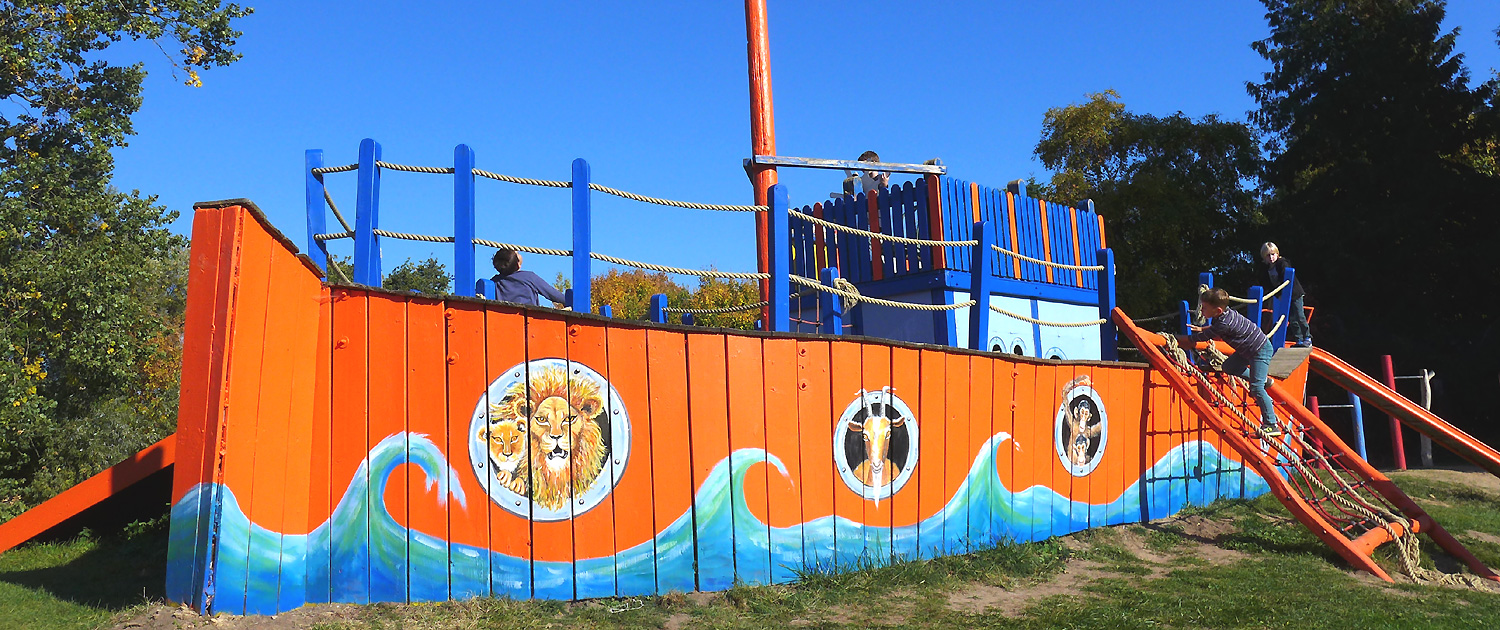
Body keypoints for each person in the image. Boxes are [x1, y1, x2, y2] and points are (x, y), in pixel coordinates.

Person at [1179, 287, 1282, 437]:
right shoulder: (1226, 315)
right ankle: (1261, 379)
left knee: (1256, 388)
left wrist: (1180, 339)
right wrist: (1203, 329)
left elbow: (1203, 337)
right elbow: (1215, 329)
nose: (1201, 311)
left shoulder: (1223, 323)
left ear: (1218, 310)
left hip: (1259, 350)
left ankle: (1271, 424)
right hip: (1247, 349)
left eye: (1205, 308)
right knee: (1229, 366)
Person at [1260, 242, 1311, 347]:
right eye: (1268, 255)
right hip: (1282, 296)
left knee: (1299, 315)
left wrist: (1280, 293)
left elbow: (1285, 278)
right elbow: (1268, 284)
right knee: (1291, 318)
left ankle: (1307, 337)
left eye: (1273, 254)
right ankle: (1299, 339)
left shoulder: (1282, 263)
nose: (1271, 257)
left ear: (1277, 254)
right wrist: (1276, 295)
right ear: (1264, 257)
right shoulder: (1266, 270)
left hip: (1294, 294)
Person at [490, 249, 566, 307]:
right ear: (518, 265)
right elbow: (552, 294)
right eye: (517, 253)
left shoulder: (494, 282)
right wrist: (571, 301)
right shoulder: (529, 277)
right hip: (528, 319)